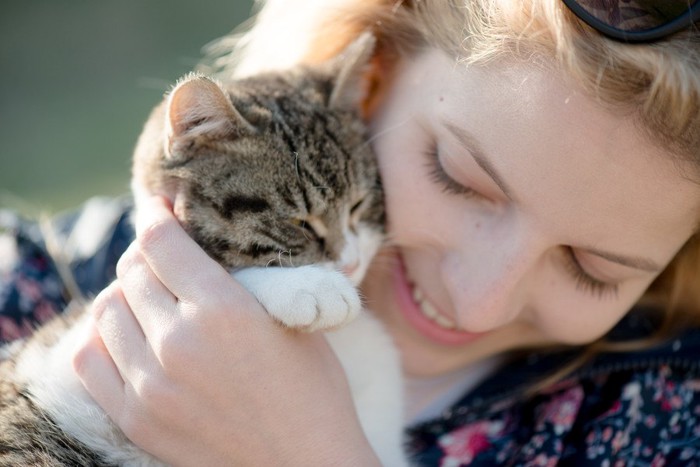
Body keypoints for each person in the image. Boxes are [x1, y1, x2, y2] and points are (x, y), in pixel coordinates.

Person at [2, 0, 700, 464]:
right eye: (457, 176)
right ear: (373, 77)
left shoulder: (668, 424)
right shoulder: (38, 278)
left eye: (591, 267)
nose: (476, 301)